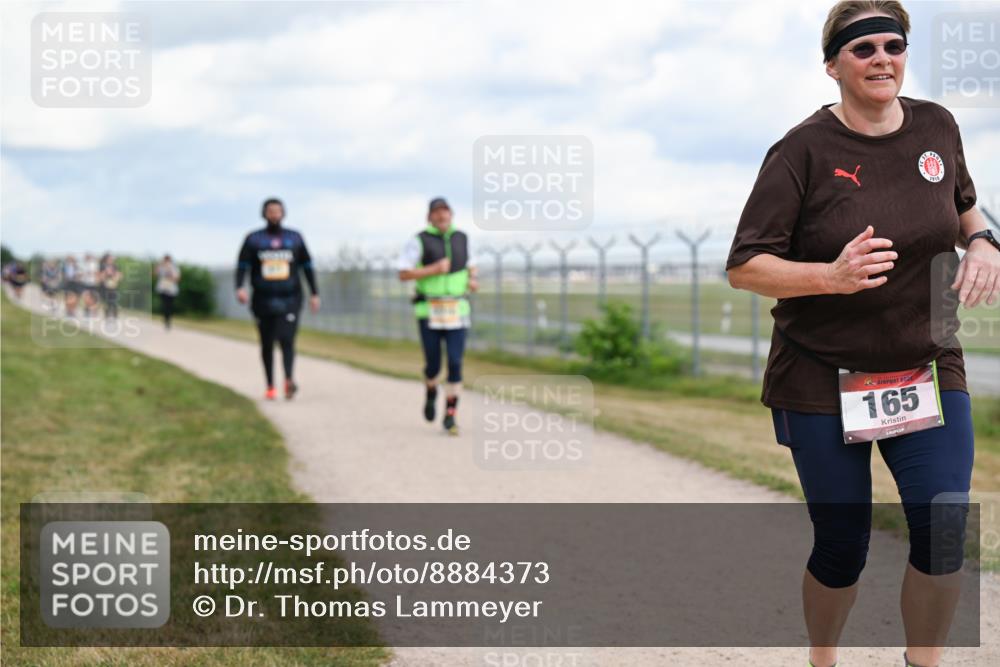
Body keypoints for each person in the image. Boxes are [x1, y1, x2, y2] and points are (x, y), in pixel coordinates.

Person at [725, 3, 1000, 667]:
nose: (882, 58)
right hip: (822, 373)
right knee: (842, 542)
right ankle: (823, 656)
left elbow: (964, 201)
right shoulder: (801, 151)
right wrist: (831, 275)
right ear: (833, 66)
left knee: (942, 527)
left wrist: (985, 240)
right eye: (863, 49)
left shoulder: (937, 126)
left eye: (893, 45)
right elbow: (745, 266)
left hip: (924, 362)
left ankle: (922, 661)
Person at [397, 197, 478, 435]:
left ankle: (450, 415)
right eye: (437, 213)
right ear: (429, 217)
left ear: (452, 215)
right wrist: (433, 269)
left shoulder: (462, 238)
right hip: (429, 311)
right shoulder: (419, 240)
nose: (442, 217)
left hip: (457, 310)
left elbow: (471, 265)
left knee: (455, 362)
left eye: (446, 212)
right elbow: (403, 273)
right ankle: (431, 390)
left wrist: (473, 279)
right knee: (433, 364)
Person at [236, 198, 320, 400]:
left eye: (278, 211)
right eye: (270, 211)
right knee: (267, 343)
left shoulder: (295, 238)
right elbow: (242, 266)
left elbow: (307, 267)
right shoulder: (254, 239)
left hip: (290, 298)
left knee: (287, 340)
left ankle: (289, 379)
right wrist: (239, 287)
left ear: (283, 213)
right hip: (263, 299)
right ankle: (270, 385)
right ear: (264, 213)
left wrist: (314, 293)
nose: (274, 214)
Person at [155, 255, 180, 330]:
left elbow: (177, 279)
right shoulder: (161, 267)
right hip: (163, 289)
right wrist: (160, 264)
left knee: (169, 306)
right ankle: (166, 319)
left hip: (171, 290)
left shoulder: (174, 268)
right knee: (164, 305)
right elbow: (155, 273)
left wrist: (170, 271)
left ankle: (168, 320)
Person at [100, 254, 122, 320]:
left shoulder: (115, 266)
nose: (111, 260)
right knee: (107, 301)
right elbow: (101, 275)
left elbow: (119, 275)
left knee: (114, 301)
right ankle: (107, 314)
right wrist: (105, 278)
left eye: (112, 259)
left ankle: (115, 314)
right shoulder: (103, 266)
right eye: (110, 259)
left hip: (113, 286)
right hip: (105, 286)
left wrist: (115, 279)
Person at [79, 253, 100, 317]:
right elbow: (80, 274)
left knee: (94, 299)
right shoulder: (82, 265)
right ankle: (87, 311)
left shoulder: (94, 264)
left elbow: (97, 273)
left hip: (93, 283)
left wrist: (97, 280)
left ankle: (94, 311)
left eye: (88, 257)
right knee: (86, 298)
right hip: (85, 283)